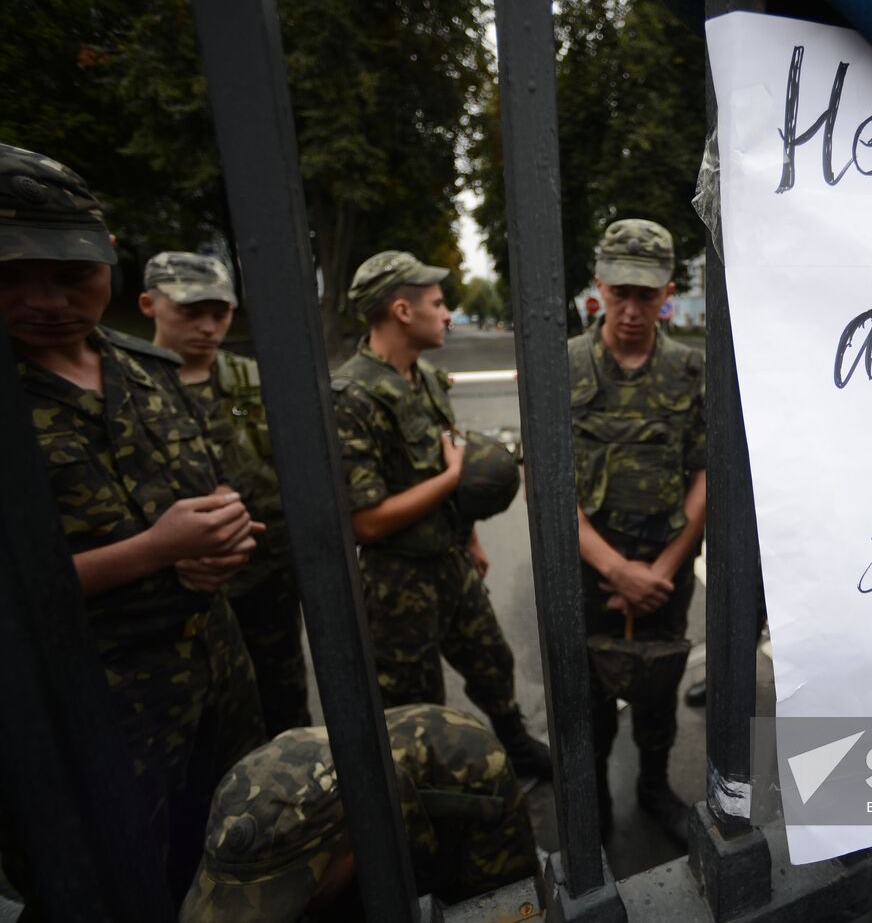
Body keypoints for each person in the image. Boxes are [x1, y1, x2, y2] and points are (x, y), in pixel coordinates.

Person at [0, 143, 266, 901]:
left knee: (244, 849)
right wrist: (156, 550)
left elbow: (212, 491)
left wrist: (224, 545)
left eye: (69, 274)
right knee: (129, 883)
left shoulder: (144, 371)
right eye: (11, 274)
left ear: (108, 261)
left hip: (217, 672)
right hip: (98, 707)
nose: (43, 298)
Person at [331, 250, 550, 780]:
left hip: (449, 558)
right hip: (397, 580)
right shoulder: (352, 396)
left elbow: (440, 456)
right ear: (402, 311)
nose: (448, 312)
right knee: (414, 700)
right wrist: (452, 478)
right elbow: (367, 522)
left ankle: (515, 742)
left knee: (490, 660)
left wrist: (470, 540)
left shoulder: (426, 379)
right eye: (437, 302)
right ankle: (428, 791)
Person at [570, 219, 706, 843]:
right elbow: (548, 486)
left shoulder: (689, 369)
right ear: (598, 284)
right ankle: (590, 801)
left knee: (657, 689)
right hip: (585, 573)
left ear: (667, 293)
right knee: (587, 700)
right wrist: (614, 569)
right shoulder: (562, 366)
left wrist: (662, 571)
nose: (630, 308)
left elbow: (706, 477)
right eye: (619, 291)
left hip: (663, 571)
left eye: (645, 295)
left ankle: (654, 787)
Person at [140, 251, 311, 734]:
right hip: (177, 587)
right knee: (200, 717)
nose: (208, 327)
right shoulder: (133, 387)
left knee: (283, 695)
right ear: (149, 304)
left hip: (267, 573)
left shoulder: (256, 380)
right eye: (191, 312)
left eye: (221, 314)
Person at [179, 704, 538, 921]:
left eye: (303, 891)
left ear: (354, 845)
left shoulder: (471, 771)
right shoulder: (251, 817)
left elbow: (508, 905)